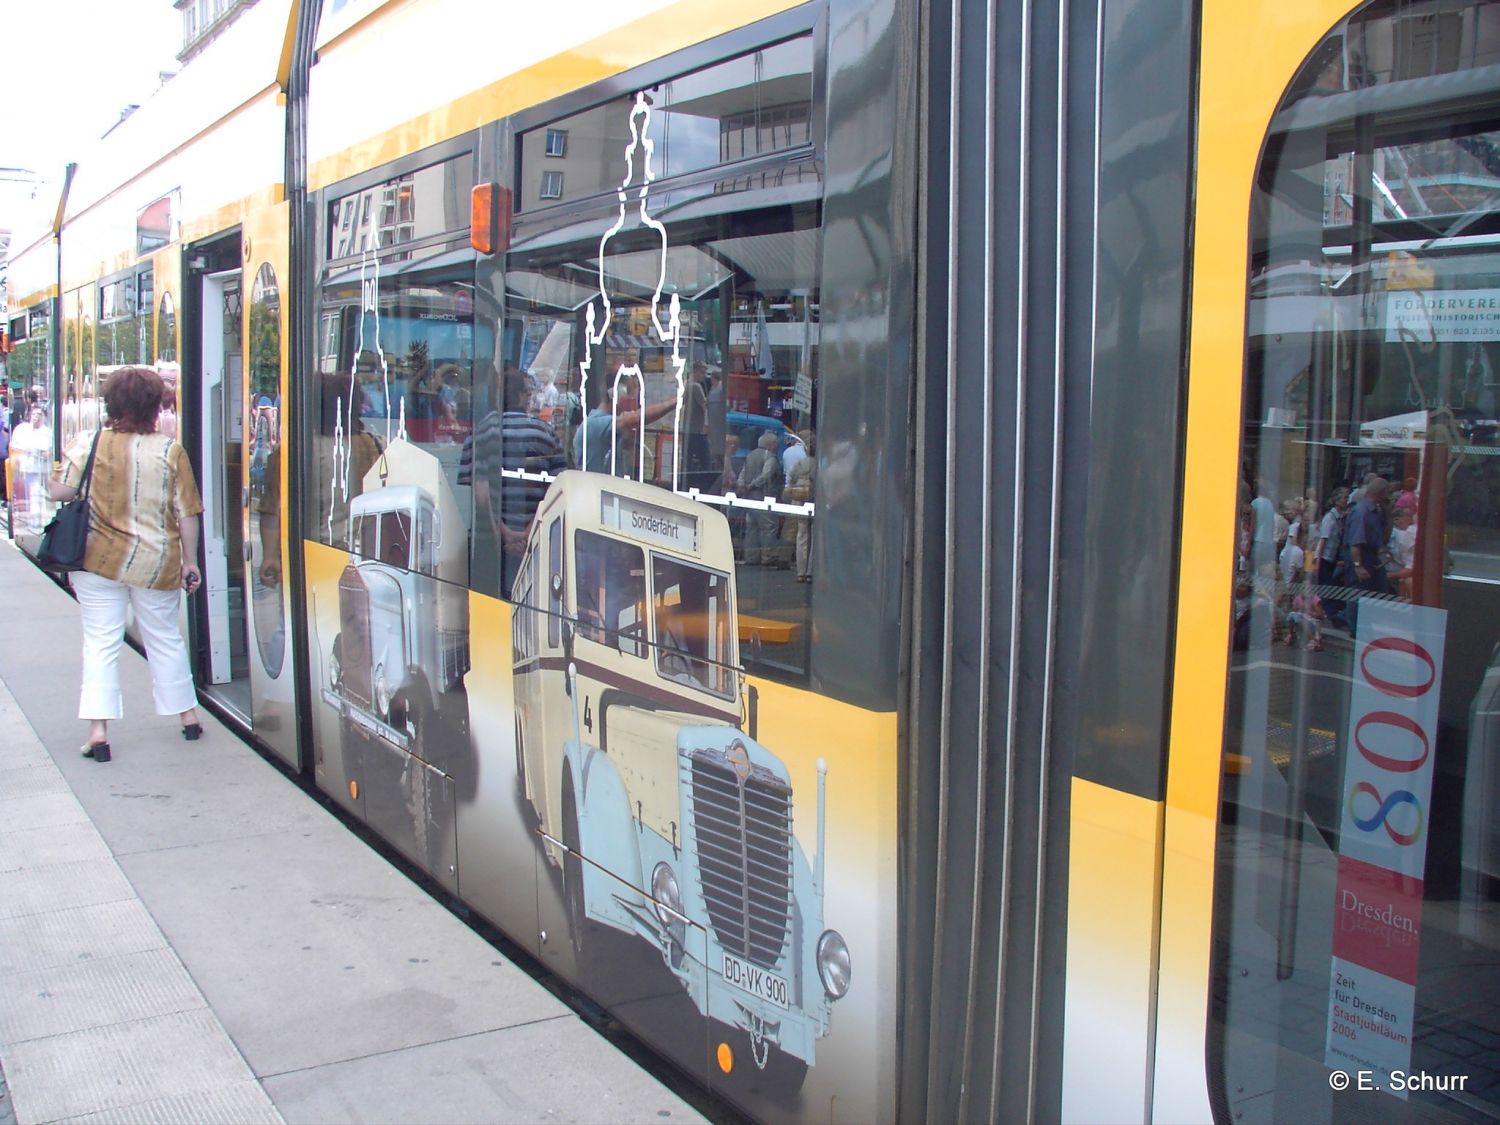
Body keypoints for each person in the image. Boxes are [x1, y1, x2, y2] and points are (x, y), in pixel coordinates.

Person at [49, 366, 204, 763]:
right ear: (156, 406)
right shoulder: (170, 451)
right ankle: (187, 717)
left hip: (98, 563)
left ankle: (99, 732)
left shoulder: (89, 443)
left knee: (100, 643)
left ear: (111, 403)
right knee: (164, 638)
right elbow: (188, 513)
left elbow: (59, 490)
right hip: (156, 564)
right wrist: (191, 561)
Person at [474, 366, 566, 598]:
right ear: (519, 396)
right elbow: (557, 490)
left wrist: (504, 533)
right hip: (537, 545)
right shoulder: (545, 433)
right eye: (527, 392)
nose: (530, 397)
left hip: (491, 548)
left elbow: (481, 494)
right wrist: (528, 534)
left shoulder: (482, 431)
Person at [573, 377, 675, 475]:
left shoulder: (607, 425)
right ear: (616, 394)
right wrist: (677, 400)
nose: (633, 397)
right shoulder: (595, 424)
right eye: (630, 391)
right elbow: (635, 418)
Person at [738, 430, 784, 565]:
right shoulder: (770, 457)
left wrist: (742, 486)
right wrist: (752, 485)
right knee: (769, 527)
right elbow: (766, 475)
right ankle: (767, 557)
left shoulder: (750, 455)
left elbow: (742, 473)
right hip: (763, 497)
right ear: (772, 444)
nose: (777, 446)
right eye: (776, 444)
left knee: (751, 527)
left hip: (748, 498)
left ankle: (751, 557)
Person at [1346, 474, 1392, 602]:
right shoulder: (1361, 512)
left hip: (1374, 561)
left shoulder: (1377, 512)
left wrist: (1388, 514)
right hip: (1362, 561)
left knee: (1378, 598)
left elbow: (1384, 537)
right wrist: (1358, 566)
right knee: (1358, 600)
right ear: (1382, 493)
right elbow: (1355, 543)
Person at [783, 429, 815, 582]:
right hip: (814, 500)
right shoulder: (819, 463)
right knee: (815, 536)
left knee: (801, 534)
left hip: (798, 499)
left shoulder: (799, 463)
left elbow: (789, 479)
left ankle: (800, 571)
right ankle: (810, 571)